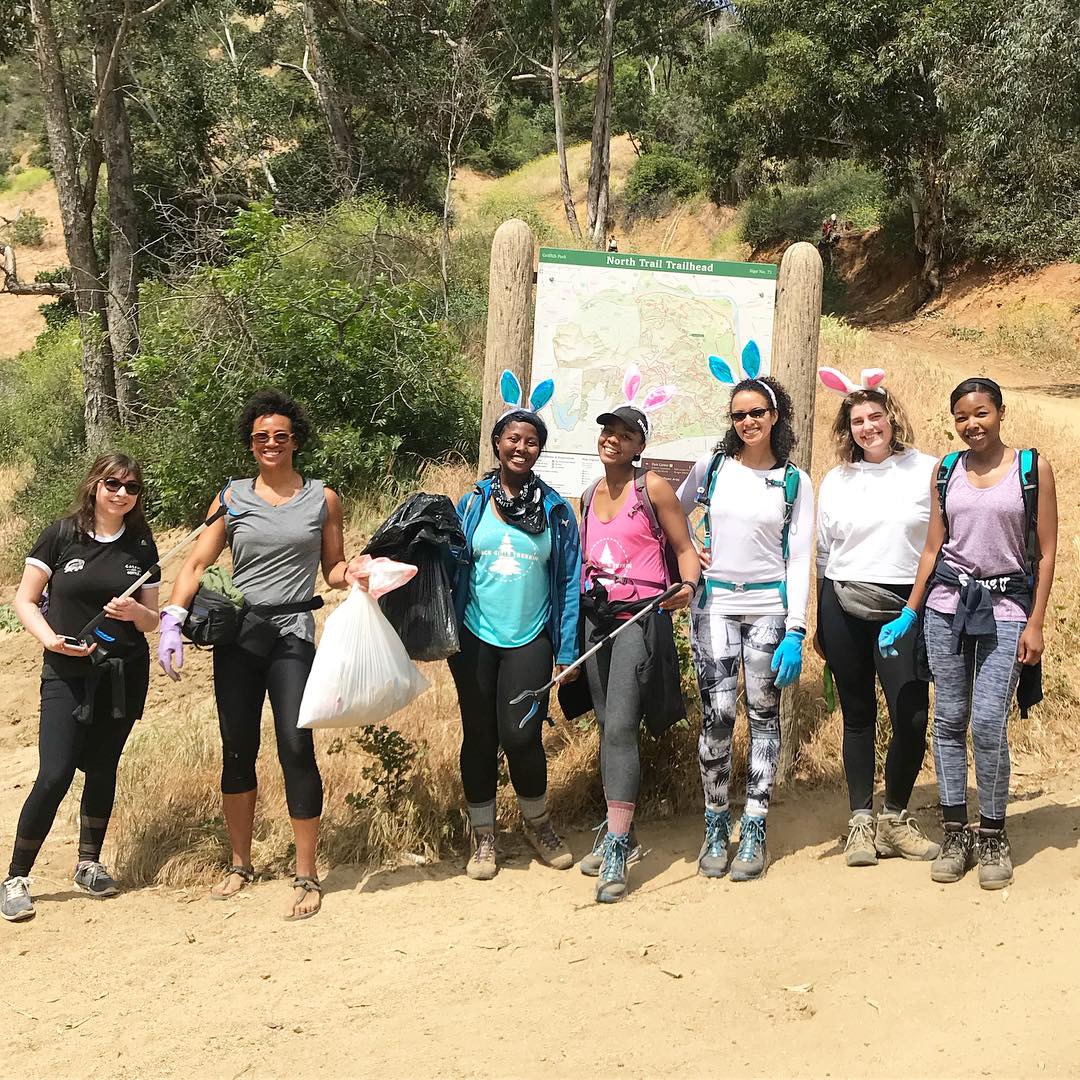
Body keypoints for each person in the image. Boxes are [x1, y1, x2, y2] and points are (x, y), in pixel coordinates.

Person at [161, 389, 366, 921]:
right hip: (240, 635)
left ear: (295, 440)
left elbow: (333, 568)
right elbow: (196, 563)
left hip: (293, 633)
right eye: (260, 437)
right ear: (250, 444)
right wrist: (172, 619)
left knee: (296, 746)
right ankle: (240, 864)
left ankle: (307, 873)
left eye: (280, 436)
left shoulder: (323, 499)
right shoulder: (230, 498)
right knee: (237, 748)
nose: (270, 443)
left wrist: (357, 573)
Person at [878, 378, 1057, 889]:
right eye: (961, 416)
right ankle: (956, 832)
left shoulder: (1031, 469)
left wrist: (1036, 623)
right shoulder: (947, 470)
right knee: (949, 720)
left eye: (981, 413)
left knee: (988, 722)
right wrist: (911, 611)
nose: (971, 424)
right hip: (946, 608)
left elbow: (1046, 554)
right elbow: (933, 548)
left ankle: (993, 833)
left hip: (1006, 610)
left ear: (1000, 412)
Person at [2, 455, 160, 923]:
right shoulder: (60, 534)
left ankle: (89, 864)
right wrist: (50, 638)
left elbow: (152, 620)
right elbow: (25, 599)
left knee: (103, 768)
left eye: (131, 487)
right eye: (112, 483)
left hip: (123, 674)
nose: (121, 493)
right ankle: (16, 877)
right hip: (66, 674)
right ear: (94, 485)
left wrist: (134, 613)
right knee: (55, 773)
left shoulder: (142, 544)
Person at [676, 376, 813, 882]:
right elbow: (670, 515)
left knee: (763, 716)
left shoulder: (795, 481)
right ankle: (715, 825)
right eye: (739, 415)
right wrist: (688, 549)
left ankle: (754, 826)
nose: (748, 422)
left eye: (757, 412)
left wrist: (797, 629)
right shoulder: (711, 468)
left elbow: (799, 557)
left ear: (775, 416)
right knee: (718, 716)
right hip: (714, 605)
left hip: (769, 608)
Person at [450, 402, 581, 881]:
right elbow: (447, 561)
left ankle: (538, 825)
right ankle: (484, 836)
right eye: (513, 439)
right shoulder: (471, 504)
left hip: (531, 637)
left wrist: (567, 651)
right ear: (497, 444)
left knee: (522, 736)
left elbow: (568, 582)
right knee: (480, 737)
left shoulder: (556, 510)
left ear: (539, 449)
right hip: (475, 636)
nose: (521, 447)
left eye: (531, 441)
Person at [814, 368, 940, 868]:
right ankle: (861, 822)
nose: (867, 427)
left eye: (875, 417)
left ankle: (894, 818)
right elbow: (824, 554)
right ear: (848, 429)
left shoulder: (927, 469)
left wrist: (919, 607)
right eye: (857, 421)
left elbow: (941, 543)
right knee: (858, 715)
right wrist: (820, 621)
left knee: (911, 715)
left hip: (905, 606)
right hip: (842, 602)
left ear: (892, 418)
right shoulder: (837, 479)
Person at [576, 406, 701, 902]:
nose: (613, 439)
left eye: (625, 435)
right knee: (607, 725)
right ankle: (618, 830)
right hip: (596, 620)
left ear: (639, 447)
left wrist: (687, 587)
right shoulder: (588, 494)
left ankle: (617, 846)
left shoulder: (653, 489)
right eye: (608, 431)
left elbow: (685, 548)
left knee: (622, 728)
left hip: (638, 618)